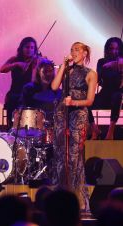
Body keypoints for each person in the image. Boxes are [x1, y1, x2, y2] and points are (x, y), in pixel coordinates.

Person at [51, 42, 97, 211]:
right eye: (72, 49)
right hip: (62, 113)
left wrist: (75, 102)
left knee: (74, 158)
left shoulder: (91, 74)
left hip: (78, 115)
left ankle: (76, 200)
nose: (74, 52)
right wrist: (63, 65)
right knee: (61, 154)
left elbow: (90, 100)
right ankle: (60, 196)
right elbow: (54, 86)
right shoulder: (66, 71)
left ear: (85, 53)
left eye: (77, 49)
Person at [0, 37, 40, 128]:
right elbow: (2, 69)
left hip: (29, 93)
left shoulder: (36, 61)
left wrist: (35, 66)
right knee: (12, 99)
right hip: (15, 92)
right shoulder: (14, 59)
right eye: (27, 47)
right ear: (22, 48)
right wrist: (16, 64)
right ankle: (11, 128)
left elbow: (34, 81)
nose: (29, 50)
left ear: (35, 50)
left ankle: (29, 128)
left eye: (32, 48)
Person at [89, 37, 123, 140]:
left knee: (117, 96)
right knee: (86, 101)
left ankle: (110, 132)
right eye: (111, 48)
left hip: (117, 98)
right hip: (104, 95)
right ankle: (94, 128)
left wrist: (117, 65)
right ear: (107, 49)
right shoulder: (101, 61)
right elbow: (98, 77)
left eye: (117, 49)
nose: (114, 51)